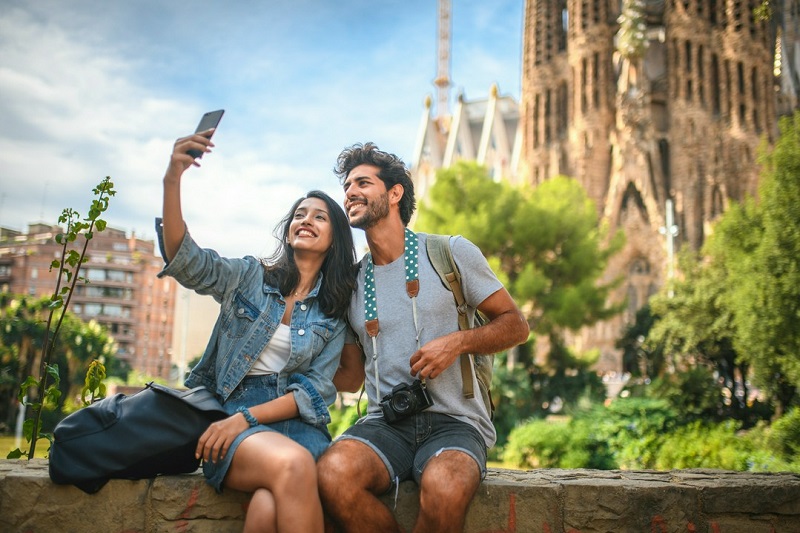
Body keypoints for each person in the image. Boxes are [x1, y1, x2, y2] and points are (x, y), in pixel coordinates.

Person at [318, 142, 530, 532]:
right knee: (332, 473)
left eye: (362, 182)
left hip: (457, 422)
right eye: (347, 186)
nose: (349, 192)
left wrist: (457, 342)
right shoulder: (351, 283)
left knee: (446, 486)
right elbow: (348, 377)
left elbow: (516, 325)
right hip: (385, 422)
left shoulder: (449, 252)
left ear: (395, 193)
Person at [158, 128, 356, 533]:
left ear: (335, 238)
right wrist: (172, 179)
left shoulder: (332, 312)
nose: (306, 220)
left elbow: (313, 393)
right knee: (294, 466)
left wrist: (248, 418)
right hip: (227, 418)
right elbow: (187, 260)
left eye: (319, 216)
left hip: (295, 425)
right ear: (288, 229)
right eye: (299, 214)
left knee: (266, 508)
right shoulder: (249, 277)